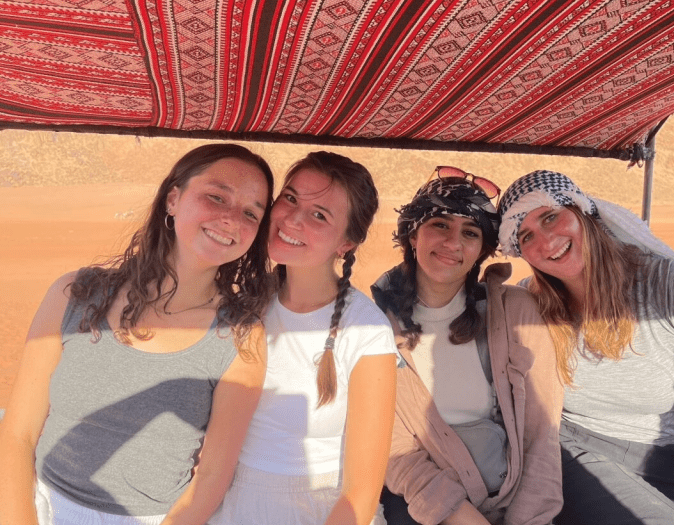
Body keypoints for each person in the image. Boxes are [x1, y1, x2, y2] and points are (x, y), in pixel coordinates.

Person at [0, 143, 275, 525]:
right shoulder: (75, 293)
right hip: (42, 506)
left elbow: (212, 476)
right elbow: (17, 435)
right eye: (216, 197)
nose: (232, 219)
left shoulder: (241, 336)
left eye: (250, 213)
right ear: (173, 199)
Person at [496, 170, 674, 525]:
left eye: (551, 216)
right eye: (526, 236)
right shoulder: (530, 302)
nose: (546, 240)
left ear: (583, 211)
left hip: (659, 463)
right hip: (568, 452)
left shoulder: (666, 284)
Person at [209, 151, 398, 525]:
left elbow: (359, 495)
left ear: (347, 243)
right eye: (291, 198)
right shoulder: (241, 301)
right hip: (225, 500)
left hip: (319, 510)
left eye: (319, 215)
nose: (292, 219)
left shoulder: (367, 332)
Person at [370, 167, 563, 525]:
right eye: (439, 224)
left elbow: (542, 434)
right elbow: (392, 449)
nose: (453, 243)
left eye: (470, 233)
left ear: (482, 251)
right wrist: (460, 516)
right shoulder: (374, 323)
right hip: (425, 506)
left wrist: (530, 520)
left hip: (513, 503)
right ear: (413, 235)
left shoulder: (515, 311)